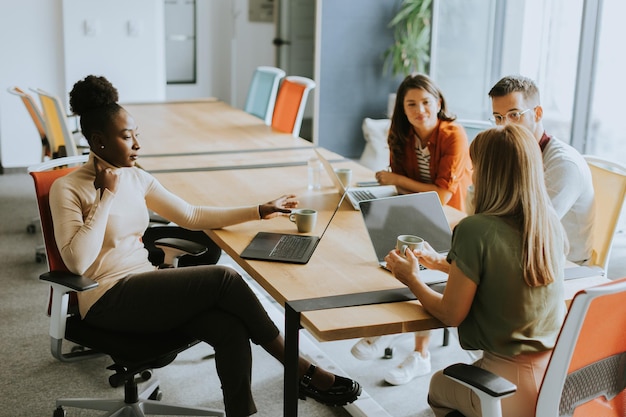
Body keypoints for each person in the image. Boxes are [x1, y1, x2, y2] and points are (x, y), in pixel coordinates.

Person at [49, 75, 361, 417]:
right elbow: (77, 262)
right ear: (99, 141)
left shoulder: (136, 177)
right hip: (106, 297)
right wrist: (105, 196)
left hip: (144, 284)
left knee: (228, 327)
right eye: (127, 137)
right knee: (223, 279)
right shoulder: (68, 188)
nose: (137, 144)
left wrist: (258, 210)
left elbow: (192, 214)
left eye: (137, 134)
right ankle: (300, 368)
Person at [386, 124, 567, 417]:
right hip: (556, 382)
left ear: (489, 174)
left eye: (476, 166)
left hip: (504, 388)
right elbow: (506, 274)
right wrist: (445, 265)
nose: (472, 174)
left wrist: (412, 279)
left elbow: (450, 314)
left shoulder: (475, 229)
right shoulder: (547, 224)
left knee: (437, 386)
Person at [350, 74, 472, 385]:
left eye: (426, 102)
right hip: (415, 210)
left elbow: (441, 195)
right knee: (381, 253)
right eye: (411, 104)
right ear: (402, 109)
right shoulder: (401, 134)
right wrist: (399, 187)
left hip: (450, 218)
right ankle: (390, 328)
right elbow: (407, 188)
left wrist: (398, 181)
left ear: (439, 103)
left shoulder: (452, 134)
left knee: (417, 267)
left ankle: (420, 354)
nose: (420, 110)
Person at [488, 75, 594, 264]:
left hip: (564, 265)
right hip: (523, 254)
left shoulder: (564, 164)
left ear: (537, 113)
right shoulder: (515, 152)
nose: (504, 126)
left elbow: (535, 228)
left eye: (514, 115)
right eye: (498, 118)